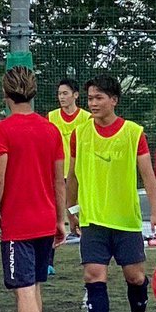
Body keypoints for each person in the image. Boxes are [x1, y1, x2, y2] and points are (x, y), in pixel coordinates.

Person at [67, 75, 156, 312]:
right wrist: (71, 210)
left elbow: (149, 176)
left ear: (114, 100)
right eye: (90, 98)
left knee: (135, 278)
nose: (93, 103)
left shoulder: (133, 133)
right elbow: (72, 177)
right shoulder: (80, 133)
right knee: (94, 275)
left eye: (99, 98)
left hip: (126, 221)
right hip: (93, 219)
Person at [0, 66, 67, 312]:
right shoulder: (51, 130)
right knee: (33, 288)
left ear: (6, 94)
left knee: (23, 289)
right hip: (46, 220)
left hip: (19, 223)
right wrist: (60, 219)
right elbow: (58, 180)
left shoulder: (3, 129)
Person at [48, 78, 90, 250]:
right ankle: (50, 256)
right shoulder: (52, 116)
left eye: (65, 93)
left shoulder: (87, 118)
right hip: (57, 172)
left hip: (78, 172)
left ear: (76, 95)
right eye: (59, 94)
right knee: (55, 212)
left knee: (78, 210)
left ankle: (85, 243)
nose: (61, 97)